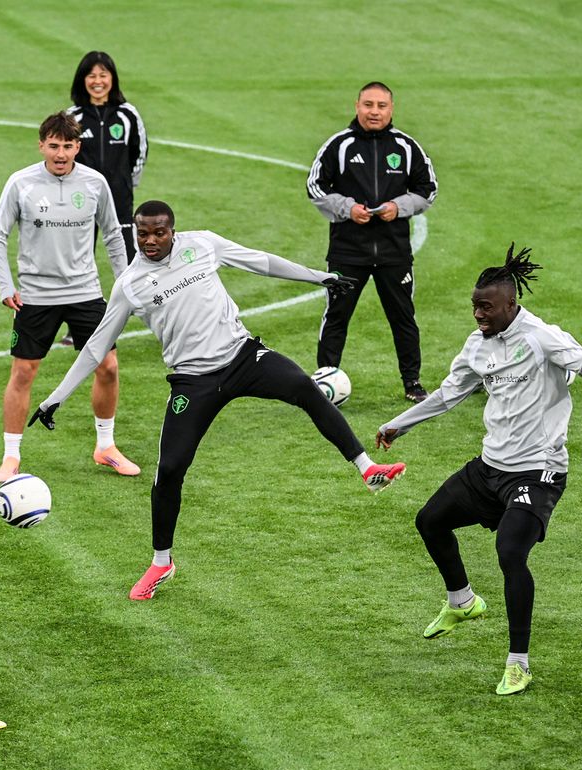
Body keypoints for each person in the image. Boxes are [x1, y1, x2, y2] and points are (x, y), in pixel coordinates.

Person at [30, 200, 407, 601]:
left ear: (173, 230)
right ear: (135, 232)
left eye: (159, 232)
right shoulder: (130, 283)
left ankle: (368, 469)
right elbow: (96, 347)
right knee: (170, 469)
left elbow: (259, 261)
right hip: (193, 383)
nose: (151, 241)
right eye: (143, 234)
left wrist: (319, 278)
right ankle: (161, 562)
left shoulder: (203, 244)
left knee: (303, 387)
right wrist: (55, 398)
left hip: (243, 357)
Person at [375, 245, 582, 695]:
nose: (479, 315)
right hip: (490, 468)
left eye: (486, 307)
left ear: (510, 304)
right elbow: (448, 394)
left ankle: (518, 662)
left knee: (510, 554)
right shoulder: (476, 345)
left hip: (537, 471)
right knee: (430, 520)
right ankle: (462, 601)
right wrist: (398, 426)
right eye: (475, 307)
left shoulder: (540, 335)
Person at [0, 111, 139, 482]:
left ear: (77, 147)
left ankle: (105, 446)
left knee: (109, 367)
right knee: (24, 372)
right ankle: (11, 456)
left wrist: (124, 283)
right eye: (53, 145)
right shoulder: (21, 183)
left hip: (85, 292)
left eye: (67, 146)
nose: (60, 153)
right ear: (41, 145)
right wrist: (6, 285)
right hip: (36, 296)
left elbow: (113, 235)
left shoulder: (94, 183)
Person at [307, 82, 437, 404]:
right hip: (348, 251)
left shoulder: (406, 147)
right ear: (357, 106)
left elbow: (428, 188)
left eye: (381, 105)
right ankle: (325, 381)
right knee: (336, 315)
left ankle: (413, 384)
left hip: (394, 252)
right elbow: (315, 187)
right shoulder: (339, 145)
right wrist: (347, 208)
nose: (374, 111)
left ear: (391, 109)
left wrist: (399, 207)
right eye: (368, 105)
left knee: (403, 317)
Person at [68, 50, 147, 264]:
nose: (98, 81)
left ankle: (131, 297)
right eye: (91, 76)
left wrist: (126, 182)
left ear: (112, 78)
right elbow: (64, 157)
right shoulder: (73, 117)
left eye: (103, 75)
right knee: (79, 259)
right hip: (81, 198)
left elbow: (138, 153)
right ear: (82, 79)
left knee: (128, 259)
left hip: (119, 198)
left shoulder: (127, 114)